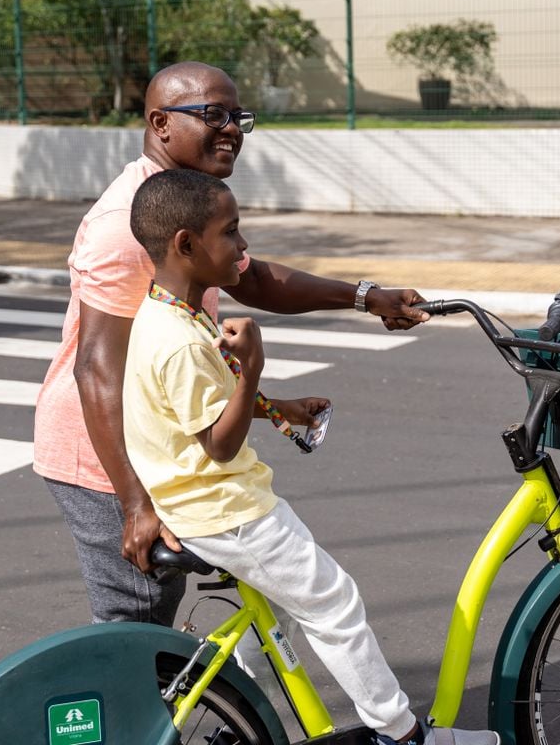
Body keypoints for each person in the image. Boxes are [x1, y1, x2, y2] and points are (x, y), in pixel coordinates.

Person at [34, 61, 429, 627]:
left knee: (223, 616)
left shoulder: (180, 201)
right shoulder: (128, 226)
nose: (233, 129)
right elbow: (97, 371)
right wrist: (135, 504)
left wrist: (367, 297)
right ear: (160, 122)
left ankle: (224, 714)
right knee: (136, 632)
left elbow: (253, 279)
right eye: (213, 114)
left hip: (162, 444)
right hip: (109, 459)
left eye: (238, 116)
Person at [123, 168, 495, 745]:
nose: (243, 246)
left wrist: (278, 406)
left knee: (266, 624)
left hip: (197, 505)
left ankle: (240, 722)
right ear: (187, 245)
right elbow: (219, 445)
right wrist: (255, 369)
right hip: (229, 510)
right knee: (334, 602)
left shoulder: (172, 314)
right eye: (232, 232)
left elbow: (201, 408)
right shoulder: (178, 342)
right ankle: (402, 733)